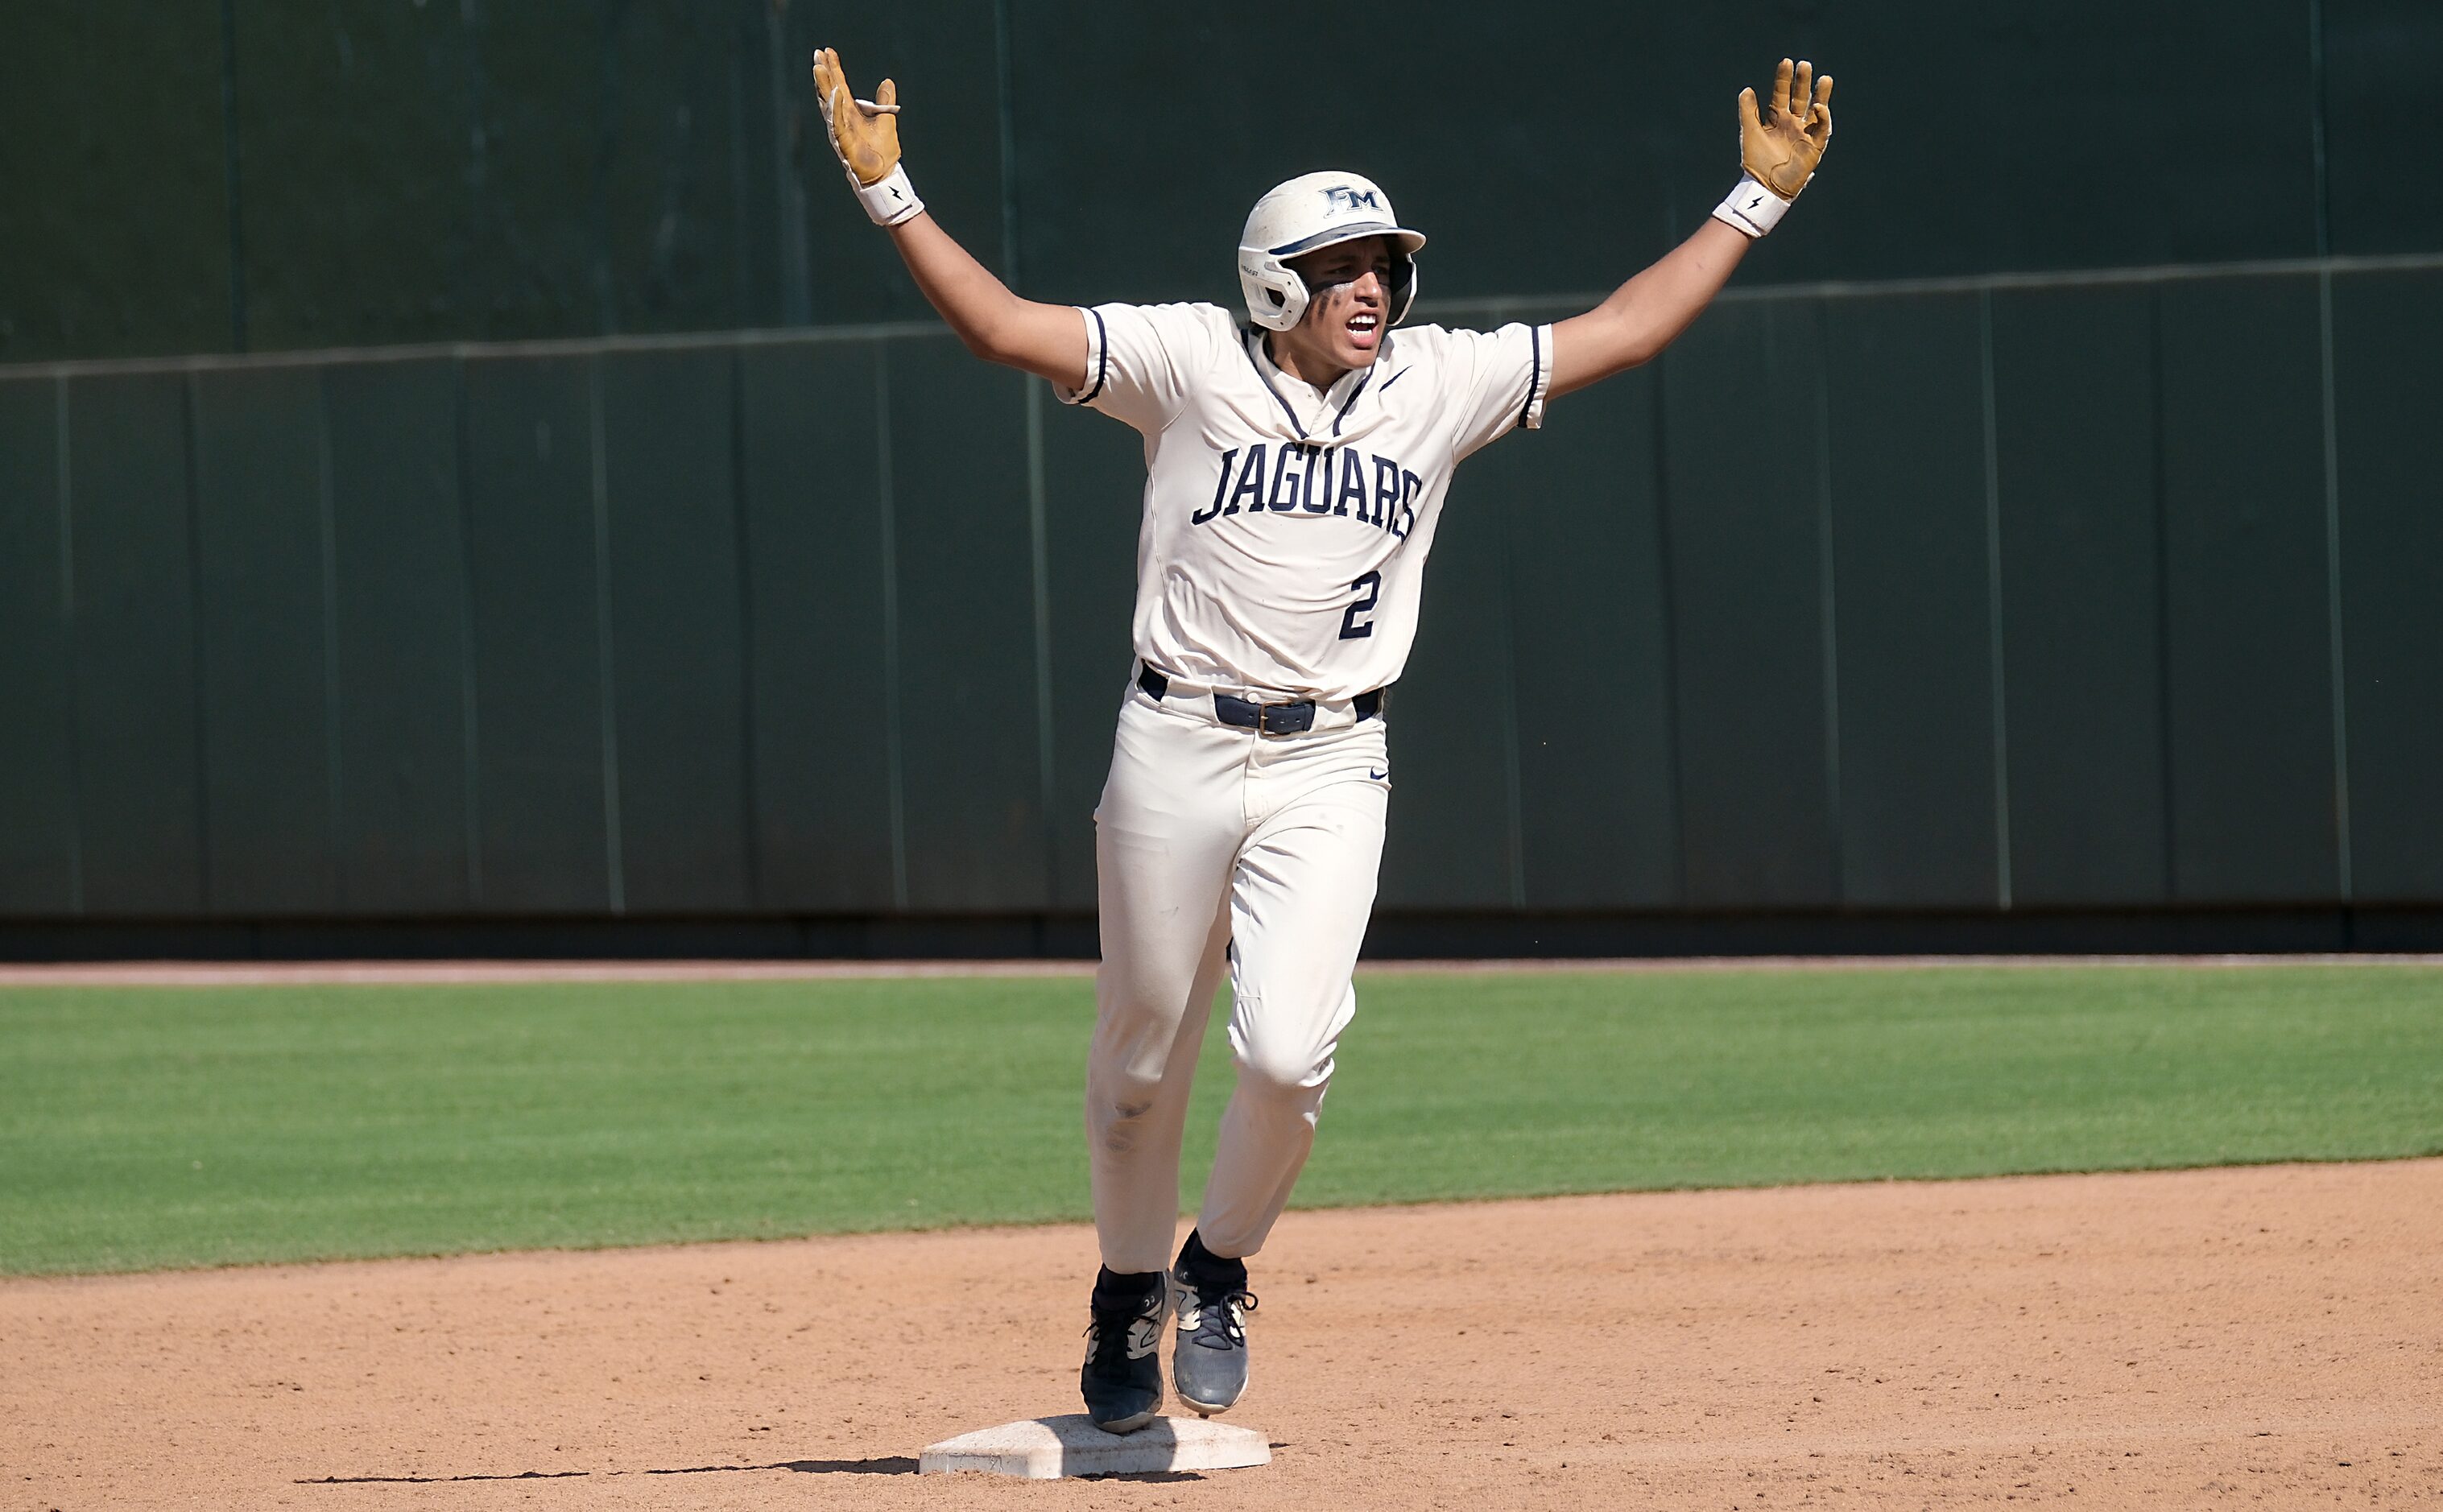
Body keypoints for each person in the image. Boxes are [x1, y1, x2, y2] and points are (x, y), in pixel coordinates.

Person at [809, 45, 1833, 1433]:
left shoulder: (1439, 381)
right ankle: (1124, 1290)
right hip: (1170, 741)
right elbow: (1001, 326)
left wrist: (1751, 205)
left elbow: (1625, 328)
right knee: (1135, 1064)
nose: (1373, 285)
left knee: (1289, 1052)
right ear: (1272, 282)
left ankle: (1215, 1265)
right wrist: (891, 193)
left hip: (1330, 758)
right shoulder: (1178, 359)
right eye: (1342, 262)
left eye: (1384, 262)